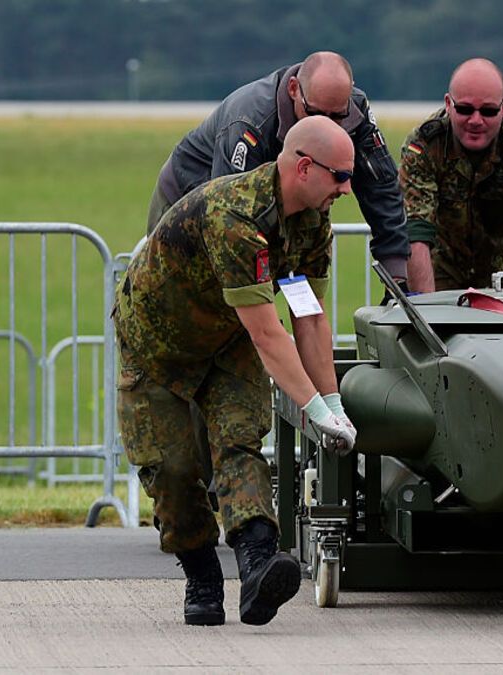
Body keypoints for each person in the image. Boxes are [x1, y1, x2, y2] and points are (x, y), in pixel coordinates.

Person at [116, 116, 358, 627]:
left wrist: (333, 404)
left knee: (240, 444)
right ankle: (202, 579)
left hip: (228, 343)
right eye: (339, 176)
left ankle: (257, 567)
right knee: (174, 472)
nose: (347, 188)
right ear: (304, 167)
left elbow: (308, 316)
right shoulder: (235, 217)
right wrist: (310, 409)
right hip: (158, 347)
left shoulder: (313, 223)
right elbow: (271, 335)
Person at [147, 50, 410, 283]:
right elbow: (228, 218)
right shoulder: (250, 120)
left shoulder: (354, 108)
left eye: (338, 116)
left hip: (268, 203)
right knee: (198, 295)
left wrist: (397, 275)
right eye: (317, 114)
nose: (328, 125)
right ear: (294, 89)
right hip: (189, 194)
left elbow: (382, 184)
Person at [400, 58, 503, 292]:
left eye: (488, 111)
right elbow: (416, 231)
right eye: (464, 109)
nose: (476, 120)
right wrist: (424, 311)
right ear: (448, 104)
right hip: (436, 270)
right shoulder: (425, 144)